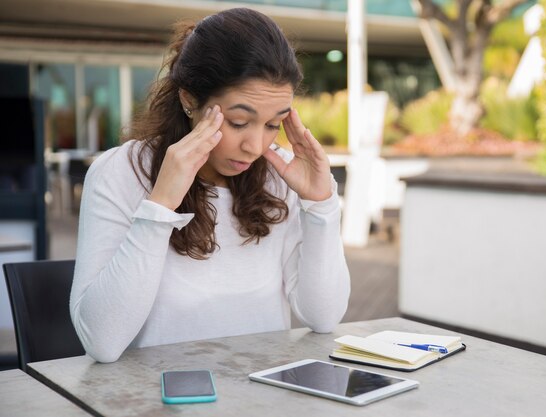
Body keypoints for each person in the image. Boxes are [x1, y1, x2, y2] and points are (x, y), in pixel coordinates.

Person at [69, 7, 351, 363]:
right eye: (237, 122)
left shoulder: (278, 177)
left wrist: (320, 205)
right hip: (152, 399)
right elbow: (102, 343)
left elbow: (323, 318)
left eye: (272, 124)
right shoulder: (121, 172)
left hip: (262, 395)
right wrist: (159, 207)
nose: (255, 146)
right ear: (189, 100)